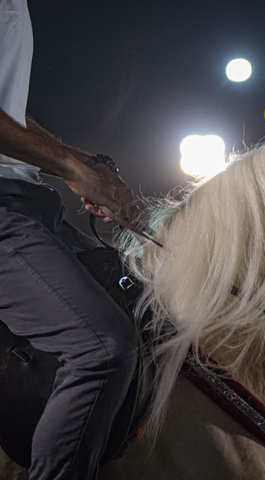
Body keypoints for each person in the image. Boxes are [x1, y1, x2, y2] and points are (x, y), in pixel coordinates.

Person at [0, 1, 139, 478]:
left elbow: (8, 114)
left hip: (22, 200)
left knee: (148, 306)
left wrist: (81, 163)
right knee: (101, 348)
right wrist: (72, 168)